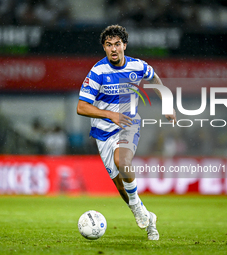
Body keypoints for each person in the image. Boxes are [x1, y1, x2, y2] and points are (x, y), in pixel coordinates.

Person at [76, 25, 176, 240]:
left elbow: (154, 79)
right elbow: (81, 107)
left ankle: (140, 211)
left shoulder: (137, 66)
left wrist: (167, 104)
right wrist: (109, 115)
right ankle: (148, 217)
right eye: (109, 45)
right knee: (123, 190)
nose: (114, 49)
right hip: (103, 132)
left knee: (122, 161)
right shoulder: (97, 72)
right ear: (104, 48)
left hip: (128, 125)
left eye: (117, 44)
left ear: (124, 45)